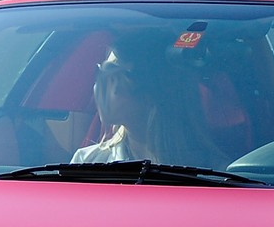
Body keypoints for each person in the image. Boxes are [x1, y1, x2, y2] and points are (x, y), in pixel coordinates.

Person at [71, 32, 229, 168]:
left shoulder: (219, 177)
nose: (98, 87)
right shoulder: (86, 163)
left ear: (152, 92)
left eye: (112, 76)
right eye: (100, 73)